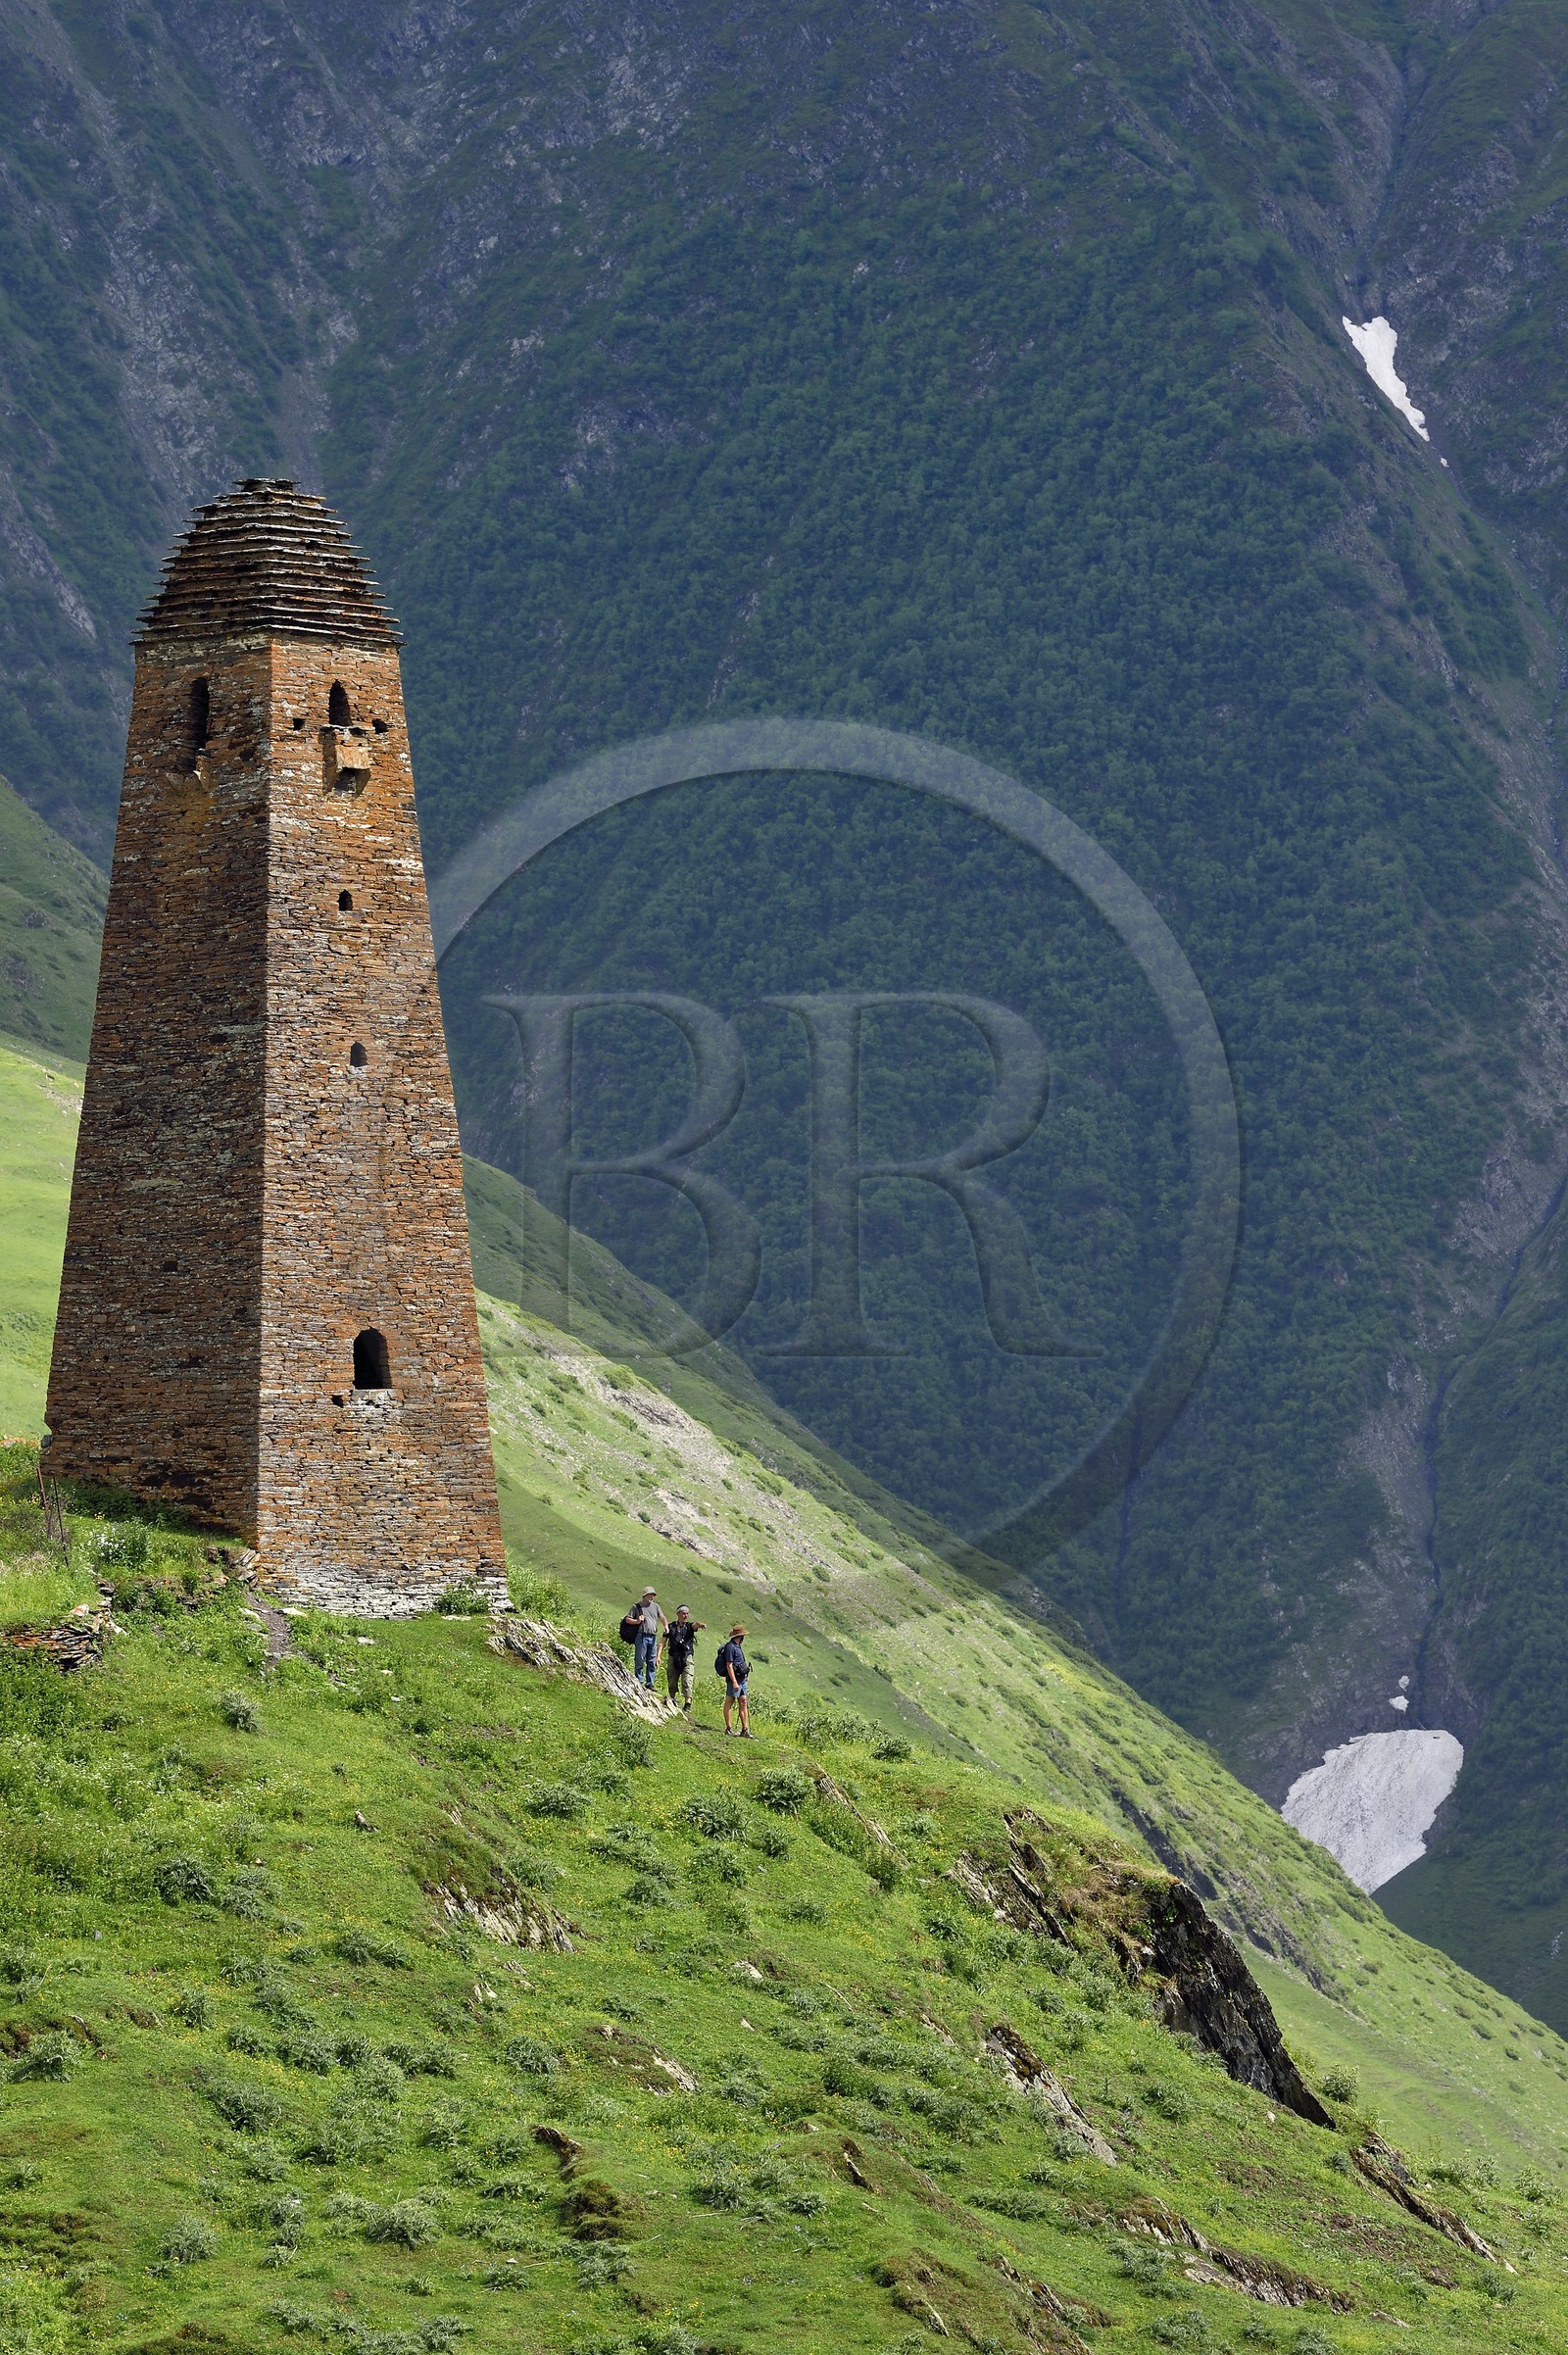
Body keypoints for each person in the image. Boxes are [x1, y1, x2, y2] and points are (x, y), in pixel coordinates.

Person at [664, 1604, 705, 1713]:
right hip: (673, 1655)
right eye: (683, 1613)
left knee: (687, 1678)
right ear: (678, 1614)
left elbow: (695, 1625)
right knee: (672, 1677)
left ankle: (687, 1703)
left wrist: (701, 1625)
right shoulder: (671, 1626)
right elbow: (663, 1641)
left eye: (687, 1613)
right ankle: (672, 1699)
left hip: (687, 1656)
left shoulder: (689, 1627)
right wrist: (658, 1655)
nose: (685, 1615)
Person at [628, 1587, 666, 1690]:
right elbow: (627, 1619)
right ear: (644, 1596)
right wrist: (637, 1621)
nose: (652, 1597)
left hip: (652, 1636)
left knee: (651, 1660)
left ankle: (650, 1683)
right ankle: (639, 1681)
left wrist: (666, 1626)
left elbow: (662, 1617)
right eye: (650, 1595)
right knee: (639, 1659)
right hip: (641, 1636)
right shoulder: (636, 1607)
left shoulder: (656, 1606)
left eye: (653, 1595)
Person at [717, 1623, 751, 1737]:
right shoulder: (730, 1647)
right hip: (734, 1680)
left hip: (742, 1679)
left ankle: (745, 1729)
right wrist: (735, 1682)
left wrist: (745, 1676)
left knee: (743, 1701)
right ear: (741, 1637)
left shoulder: (737, 1646)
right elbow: (729, 1665)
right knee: (730, 1702)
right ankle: (728, 1728)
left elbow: (740, 1663)